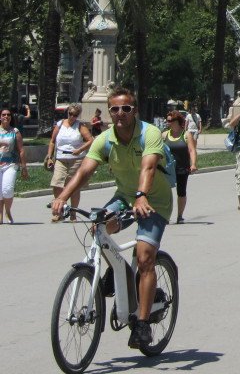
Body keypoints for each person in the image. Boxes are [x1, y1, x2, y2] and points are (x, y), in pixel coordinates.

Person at [51, 87, 174, 350]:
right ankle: (114, 269)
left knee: (144, 258)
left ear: (135, 110)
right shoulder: (104, 139)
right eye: (115, 109)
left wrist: (142, 196)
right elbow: (85, 171)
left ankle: (141, 325)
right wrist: (63, 197)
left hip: (154, 201)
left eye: (126, 108)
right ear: (109, 112)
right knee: (99, 225)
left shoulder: (149, 133)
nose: (120, 113)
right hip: (125, 196)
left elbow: (149, 166)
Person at [45, 102, 93, 222]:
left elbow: (90, 140)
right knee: (57, 184)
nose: (72, 117)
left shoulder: (80, 126)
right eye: (70, 114)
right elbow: (52, 141)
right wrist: (50, 156)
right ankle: (59, 211)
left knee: (74, 187)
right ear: (67, 113)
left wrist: (80, 149)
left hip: (76, 160)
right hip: (60, 158)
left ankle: (73, 213)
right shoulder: (60, 124)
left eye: (75, 115)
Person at [162, 110, 198, 223]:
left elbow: (192, 150)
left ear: (177, 121)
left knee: (181, 192)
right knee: (165, 192)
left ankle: (179, 216)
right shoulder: (164, 135)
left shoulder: (186, 134)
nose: (167, 123)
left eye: (170, 121)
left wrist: (193, 164)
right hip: (167, 168)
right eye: (167, 120)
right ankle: (165, 216)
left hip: (182, 167)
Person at [0, 106, 29, 224]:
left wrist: (24, 167)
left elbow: (21, 150)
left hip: (10, 164)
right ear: (0, 117)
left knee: (7, 189)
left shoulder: (15, 132)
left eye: (8, 115)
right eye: (4, 115)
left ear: (11, 117)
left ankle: (8, 211)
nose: (6, 116)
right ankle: (0, 214)